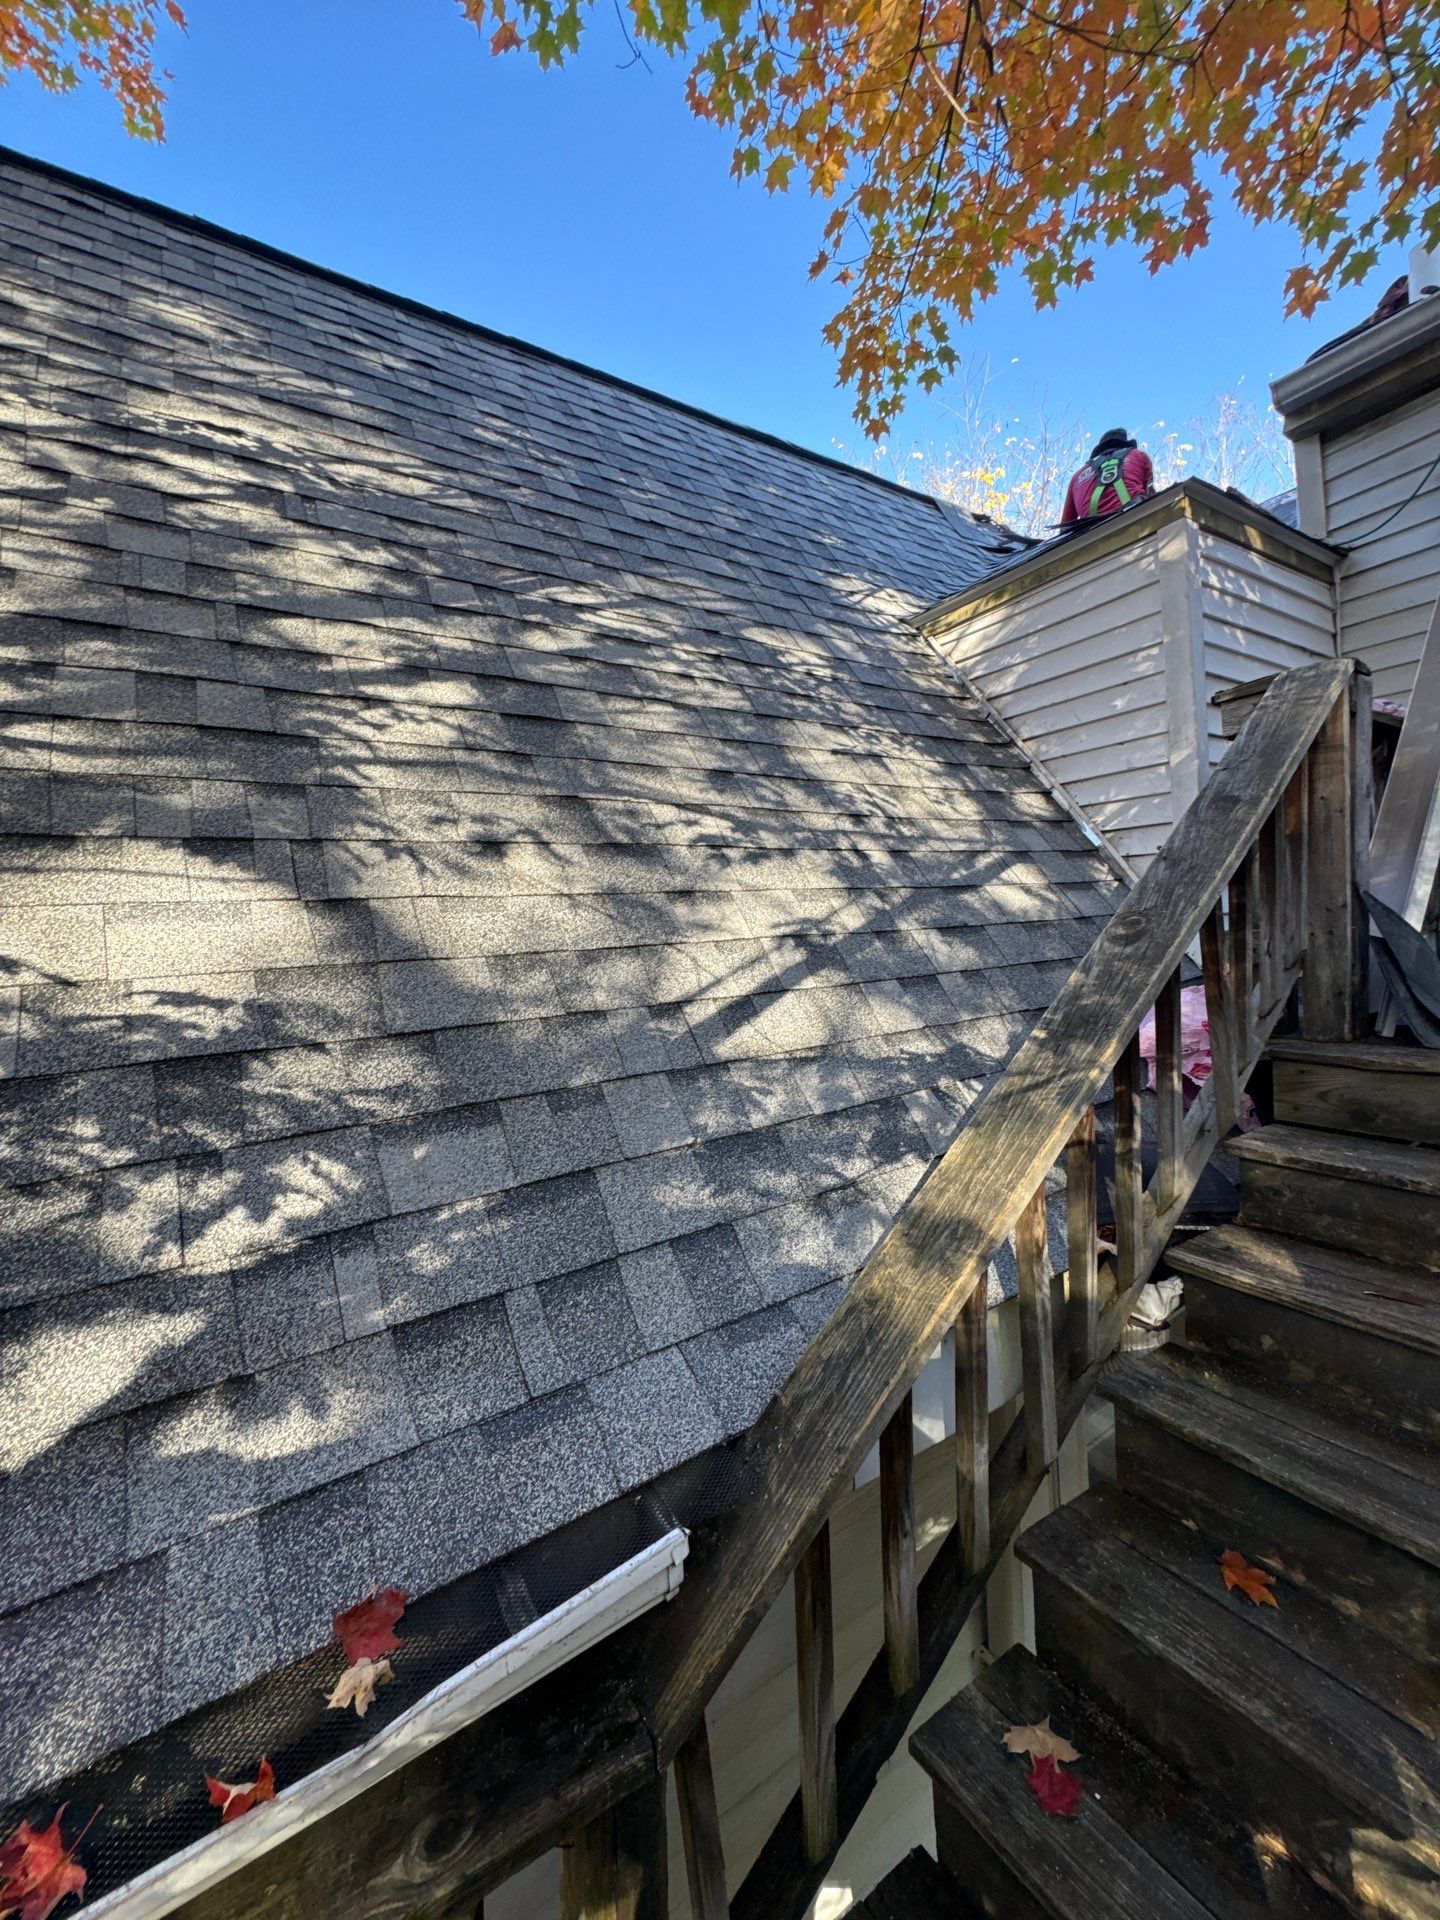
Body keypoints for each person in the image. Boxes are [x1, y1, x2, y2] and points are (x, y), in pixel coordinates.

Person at [1059, 428, 1154, 527]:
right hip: (1135, 516)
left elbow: (1065, 526)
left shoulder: (1077, 476)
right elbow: (1150, 493)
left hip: (1093, 530)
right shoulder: (1138, 455)